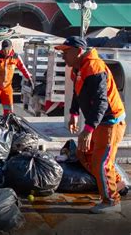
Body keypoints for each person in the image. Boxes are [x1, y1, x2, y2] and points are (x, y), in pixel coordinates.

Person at [55, 36, 127, 214]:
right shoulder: (78, 68)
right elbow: (77, 92)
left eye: (65, 52)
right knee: (83, 153)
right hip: (98, 122)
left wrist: (88, 130)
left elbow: (102, 103)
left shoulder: (95, 69)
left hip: (110, 122)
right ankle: (117, 184)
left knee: (101, 163)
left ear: (78, 52)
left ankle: (111, 200)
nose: (62, 56)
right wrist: (73, 113)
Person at [0, 39, 33, 118]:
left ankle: (8, 124)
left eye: (7, 50)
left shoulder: (16, 57)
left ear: (12, 47)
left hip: (7, 86)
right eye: (4, 50)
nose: (6, 52)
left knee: (9, 109)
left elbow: (22, 67)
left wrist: (29, 78)